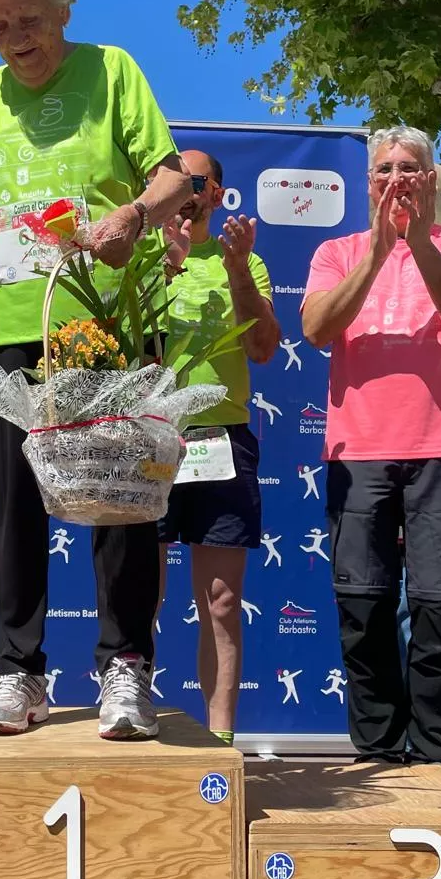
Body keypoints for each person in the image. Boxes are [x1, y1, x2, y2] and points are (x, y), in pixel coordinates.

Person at [0, 0, 190, 739]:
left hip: (104, 320)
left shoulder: (112, 72)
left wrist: (135, 214)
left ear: (63, 5)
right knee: (15, 509)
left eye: (29, 20)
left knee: (118, 503)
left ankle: (124, 668)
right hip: (8, 325)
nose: (16, 41)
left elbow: (175, 173)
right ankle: (17, 674)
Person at [301, 126, 441, 769]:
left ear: (432, 180)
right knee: (363, 602)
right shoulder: (338, 250)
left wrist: (416, 245)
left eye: (410, 168)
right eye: (385, 169)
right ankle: (378, 752)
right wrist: (380, 251)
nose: (397, 179)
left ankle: (440, 755)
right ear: (369, 184)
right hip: (359, 449)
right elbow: (315, 329)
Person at [156, 150, 281, 743]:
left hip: (219, 438)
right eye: (175, 178)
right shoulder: (144, 256)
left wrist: (235, 270)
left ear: (219, 194)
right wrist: (163, 271)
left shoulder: (246, 265)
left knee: (223, 602)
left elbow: (262, 349)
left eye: (198, 180)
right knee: (140, 595)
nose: (187, 189)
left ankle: (219, 742)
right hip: (147, 437)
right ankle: (130, 722)